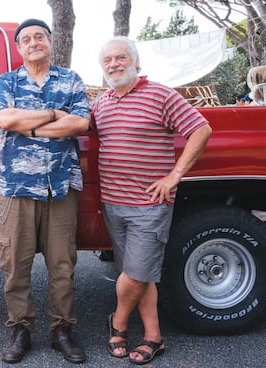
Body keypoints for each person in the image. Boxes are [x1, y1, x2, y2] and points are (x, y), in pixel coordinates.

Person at [93, 36, 212, 365]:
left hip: (149, 204)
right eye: (108, 61)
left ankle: (117, 323)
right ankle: (154, 336)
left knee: (135, 274)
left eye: (120, 58)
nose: (114, 64)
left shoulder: (160, 94)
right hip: (114, 203)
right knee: (139, 275)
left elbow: (200, 129)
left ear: (136, 62)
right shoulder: (102, 103)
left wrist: (174, 176)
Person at [0, 18, 91, 364]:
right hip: (16, 187)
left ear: (50, 42)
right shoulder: (6, 81)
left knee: (63, 264)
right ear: (19, 48)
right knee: (15, 264)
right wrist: (51, 115)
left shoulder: (71, 79)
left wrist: (28, 126)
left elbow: (80, 123)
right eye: (26, 39)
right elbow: (6, 120)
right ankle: (21, 329)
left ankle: (62, 329)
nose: (33, 42)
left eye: (39, 36)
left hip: (61, 185)